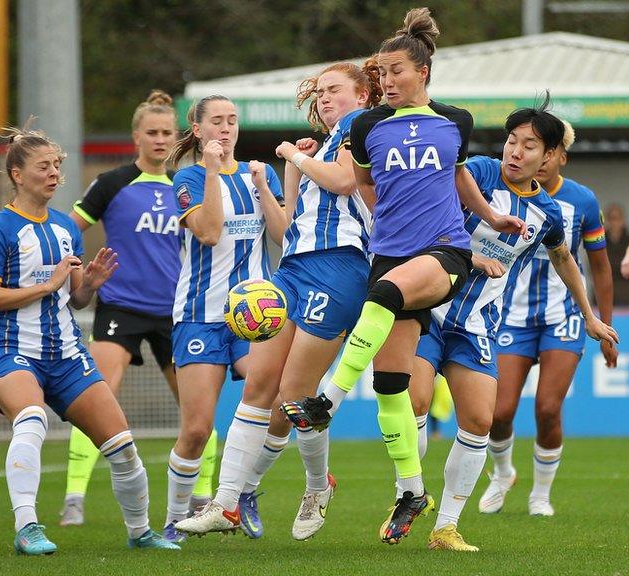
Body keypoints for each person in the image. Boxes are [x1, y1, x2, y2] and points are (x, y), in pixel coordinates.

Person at [281, 7, 526, 545]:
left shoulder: (455, 120)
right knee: (390, 385)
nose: (387, 81)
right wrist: (393, 221)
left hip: (444, 252)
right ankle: (412, 490)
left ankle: (326, 401)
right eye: (381, 73)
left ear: (423, 72)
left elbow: (457, 175)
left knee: (386, 295)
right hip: (390, 254)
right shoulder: (367, 126)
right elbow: (366, 186)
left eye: (396, 72)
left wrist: (490, 216)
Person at [174, 59, 381, 540]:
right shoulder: (326, 144)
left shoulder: (360, 127)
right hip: (291, 266)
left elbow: (345, 182)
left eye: (335, 90)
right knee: (259, 386)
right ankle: (225, 504)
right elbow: (289, 224)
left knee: (294, 397)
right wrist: (293, 167)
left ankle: (317, 485)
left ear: (362, 96)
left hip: (339, 266)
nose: (325, 99)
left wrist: (292, 154)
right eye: (320, 92)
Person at [408, 104, 617, 551]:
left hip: (480, 324)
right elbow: (435, 203)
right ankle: (408, 492)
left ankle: (446, 528)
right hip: (432, 310)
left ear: (548, 155)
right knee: (415, 403)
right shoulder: (481, 171)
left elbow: (565, 259)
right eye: (511, 141)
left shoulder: (549, 212)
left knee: (482, 421)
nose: (515, 152)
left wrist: (591, 316)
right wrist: (468, 256)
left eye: (529, 145)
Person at [0, 127, 179, 554]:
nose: (54, 174)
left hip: (67, 355)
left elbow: (76, 298)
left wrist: (90, 286)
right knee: (32, 420)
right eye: (43, 166)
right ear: (17, 174)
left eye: (57, 166)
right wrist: (47, 286)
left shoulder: (66, 227)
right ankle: (27, 527)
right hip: (13, 351)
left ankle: (140, 532)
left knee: (122, 446)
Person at [59, 91, 217, 526]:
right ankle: (74, 497)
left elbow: (211, 234)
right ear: (136, 137)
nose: (160, 139)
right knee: (94, 396)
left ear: (177, 137)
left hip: (177, 312)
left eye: (167, 132)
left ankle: (202, 496)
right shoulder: (111, 183)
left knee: (197, 409)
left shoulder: (187, 185)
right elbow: (66, 230)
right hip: (120, 307)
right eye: (152, 132)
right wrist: (76, 273)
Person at [162, 95, 288, 543]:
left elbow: (283, 236)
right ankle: (174, 520)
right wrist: (214, 171)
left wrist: (264, 187)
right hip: (201, 315)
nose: (226, 128)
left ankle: (243, 492)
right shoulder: (189, 178)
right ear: (198, 130)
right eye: (216, 121)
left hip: (253, 315)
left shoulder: (259, 173)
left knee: (280, 406)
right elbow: (210, 232)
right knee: (197, 429)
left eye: (232, 121)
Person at [481, 120, 618, 518]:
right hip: (512, 314)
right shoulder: (501, 188)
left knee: (547, 408)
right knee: (499, 412)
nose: (531, 157)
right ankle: (502, 474)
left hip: (564, 316)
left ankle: (540, 494)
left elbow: (600, 267)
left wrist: (604, 325)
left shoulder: (582, 201)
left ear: (559, 156)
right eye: (518, 144)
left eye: (540, 149)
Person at [603, 204, 629, 306]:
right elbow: (594, 266)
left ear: (623, 220)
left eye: (617, 219)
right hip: (603, 291)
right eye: (612, 219)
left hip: (626, 293)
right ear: (607, 221)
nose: (615, 223)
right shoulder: (600, 241)